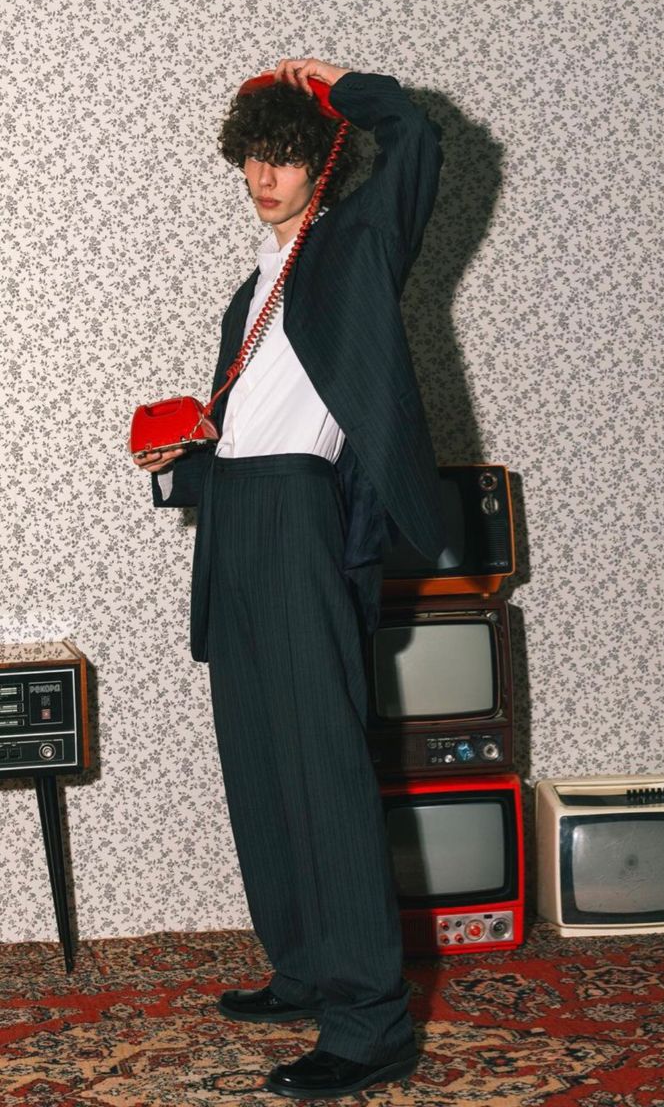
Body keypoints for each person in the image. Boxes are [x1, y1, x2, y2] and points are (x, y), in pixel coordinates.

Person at [133, 57, 445, 1100]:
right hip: (241, 526)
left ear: (322, 161)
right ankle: (307, 969)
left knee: (325, 772)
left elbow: (420, 139)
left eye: (285, 156)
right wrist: (183, 465)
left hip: (308, 526)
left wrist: (341, 83)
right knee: (261, 765)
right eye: (253, 158)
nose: (265, 175)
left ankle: (370, 1021)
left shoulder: (353, 245)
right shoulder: (247, 295)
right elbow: (248, 430)